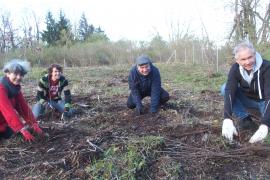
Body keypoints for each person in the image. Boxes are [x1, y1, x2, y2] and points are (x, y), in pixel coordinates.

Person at [221, 41, 270, 143]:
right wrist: (227, 118)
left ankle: (263, 121)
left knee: (266, 125)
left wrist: (265, 124)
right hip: (249, 100)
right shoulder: (235, 69)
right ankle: (246, 120)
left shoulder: (266, 67)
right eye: (243, 59)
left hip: (264, 101)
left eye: (250, 57)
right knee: (224, 88)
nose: (247, 62)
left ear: (254, 54)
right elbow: (229, 90)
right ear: (237, 60)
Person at [0, 59, 43, 142]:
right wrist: (22, 129)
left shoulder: (15, 88)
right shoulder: (1, 88)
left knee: (17, 138)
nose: (19, 77)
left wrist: (33, 123)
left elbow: (23, 108)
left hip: (2, 126)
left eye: (21, 74)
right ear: (7, 73)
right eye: (15, 74)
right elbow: (8, 112)